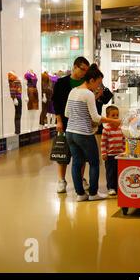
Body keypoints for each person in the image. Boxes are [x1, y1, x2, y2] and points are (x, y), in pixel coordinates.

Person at [65, 64, 121, 202]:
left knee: (77, 163)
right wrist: (113, 121)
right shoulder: (88, 94)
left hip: (70, 133)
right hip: (83, 133)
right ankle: (93, 193)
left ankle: (80, 194)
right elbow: (96, 117)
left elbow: (67, 113)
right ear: (91, 80)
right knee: (94, 163)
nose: (99, 86)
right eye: (98, 82)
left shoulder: (73, 91)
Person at [52, 57, 90, 193]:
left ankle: (80, 178)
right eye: (82, 69)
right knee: (63, 152)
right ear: (75, 67)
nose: (84, 72)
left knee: (82, 154)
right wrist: (59, 120)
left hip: (82, 123)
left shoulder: (87, 83)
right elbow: (55, 102)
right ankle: (61, 180)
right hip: (65, 122)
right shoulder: (62, 83)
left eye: (86, 70)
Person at [101, 105, 125, 196]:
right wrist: (104, 153)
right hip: (110, 155)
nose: (115, 117)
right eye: (113, 115)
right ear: (108, 117)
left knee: (119, 171)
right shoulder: (106, 129)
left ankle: (118, 186)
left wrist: (124, 151)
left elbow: (123, 140)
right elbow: (103, 143)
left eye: (117, 115)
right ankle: (111, 187)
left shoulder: (120, 129)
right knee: (110, 172)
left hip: (120, 155)